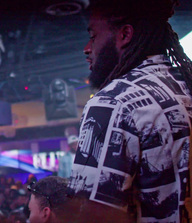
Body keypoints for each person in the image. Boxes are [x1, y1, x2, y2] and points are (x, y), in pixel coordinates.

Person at [68, 0, 192, 222]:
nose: (87, 48)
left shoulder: (113, 102)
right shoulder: (185, 86)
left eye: (94, 36)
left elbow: (90, 214)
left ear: (125, 35)